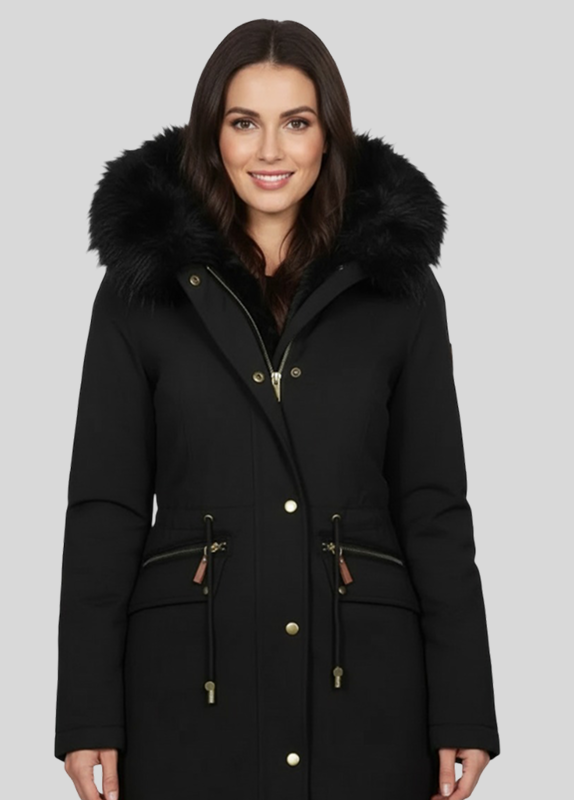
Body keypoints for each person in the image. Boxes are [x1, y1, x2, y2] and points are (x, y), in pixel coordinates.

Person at [54, 18, 500, 800]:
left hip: (366, 687)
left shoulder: (400, 289)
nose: (269, 151)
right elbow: (106, 507)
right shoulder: (142, 288)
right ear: (211, 134)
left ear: (329, 135)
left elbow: (433, 504)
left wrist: (464, 704)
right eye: (243, 123)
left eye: (295, 123)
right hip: (191, 687)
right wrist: (88, 712)